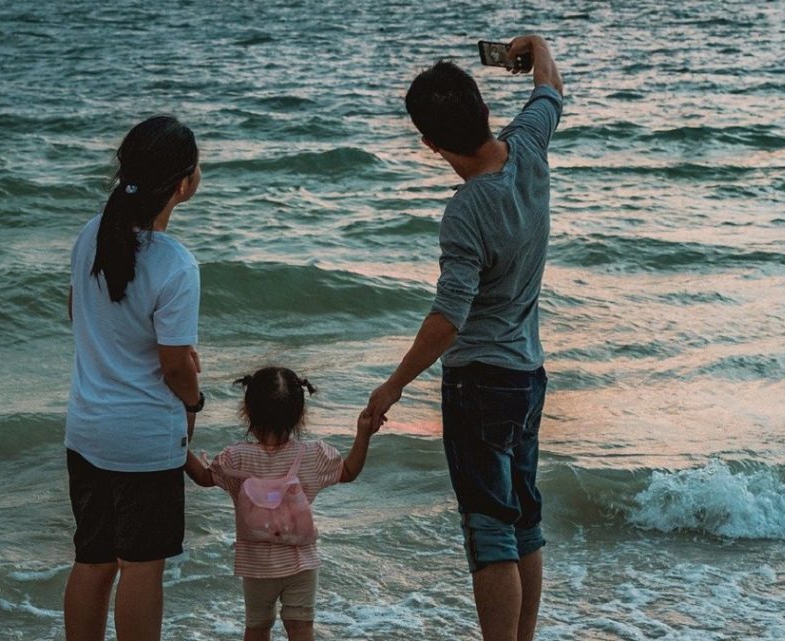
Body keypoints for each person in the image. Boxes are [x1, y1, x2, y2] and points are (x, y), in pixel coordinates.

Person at [363, 35, 565, 641]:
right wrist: (531, 45)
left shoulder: (467, 211)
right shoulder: (529, 146)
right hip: (528, 376)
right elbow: (550, 87)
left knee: (490, 529)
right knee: (524, 520)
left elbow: (448, 317)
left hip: (479, 383)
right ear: (485, 109)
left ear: (430, 144)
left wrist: (392, 387)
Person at [63, 115, 205, 641]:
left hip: (86, 429)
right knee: (142, 566)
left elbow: (77, 312)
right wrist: (196, 398)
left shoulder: (91, 235)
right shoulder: (175, 264)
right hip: (143, 441)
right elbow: (174, 366)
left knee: (93, 560)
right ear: (183, 184)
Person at [186, 367, 381, 641]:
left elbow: (204, 477)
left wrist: (177, 443)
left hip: (256, 567)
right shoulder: (314, 455)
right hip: (301, 563)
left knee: (257, 628)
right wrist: (364, 434)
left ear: (247, 411)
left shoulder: (236, 458)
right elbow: (349, 471)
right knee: (301, 629)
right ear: (300, 415)